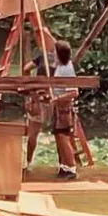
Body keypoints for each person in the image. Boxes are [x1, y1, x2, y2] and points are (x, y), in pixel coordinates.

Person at [22, 42, 57, 171]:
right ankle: (64, 165)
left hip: (38, 97)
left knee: (33, 134)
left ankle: (28, 162)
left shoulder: (43, 57)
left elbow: (26, 69)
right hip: (53, 98)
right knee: (61, 134)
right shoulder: (62, 61)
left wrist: (30, 86)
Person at [50, 39, 80, 181]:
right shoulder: (60, 67)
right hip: (58, 107)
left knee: (63, 137)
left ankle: (71, 168)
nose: (53, 54)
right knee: (59, 137)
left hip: (64, 108)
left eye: (54, 51)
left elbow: (74, 92)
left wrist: (58, 98)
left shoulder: (67, 69)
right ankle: (64, 166)